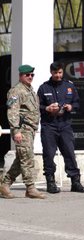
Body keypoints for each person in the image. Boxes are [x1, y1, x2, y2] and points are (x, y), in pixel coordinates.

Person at [36, 62, 84, 194]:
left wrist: (71, 107)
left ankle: (75, 182)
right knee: (48, 154)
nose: (58, 75)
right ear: (51, 72)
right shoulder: (44, 88)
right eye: (55, 73)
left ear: (62, 72)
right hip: (49, 126)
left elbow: (77, 102)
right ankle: (50, 182)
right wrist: (47, 108)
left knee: (69, 153)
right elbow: (37, 107)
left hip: (65, 125)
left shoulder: (69, 86)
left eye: (60, 73)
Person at [0, 65, 46, 199]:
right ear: (21, 76)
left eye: (32, 75)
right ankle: (30, 188)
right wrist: (16, 131)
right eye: (27, 75)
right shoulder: (16, 91)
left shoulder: (30, 90)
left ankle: (5, 184)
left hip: (30, 129)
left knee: (21, 159)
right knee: (27, 158)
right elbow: (13, 111)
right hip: (22, 129)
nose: (30, 77)